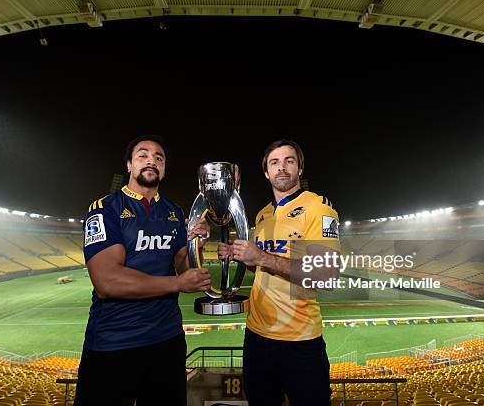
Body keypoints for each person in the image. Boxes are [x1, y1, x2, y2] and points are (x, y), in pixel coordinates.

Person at [74, 135, 211, 406]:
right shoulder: (104, 210)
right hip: (113, 343)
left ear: (164, 169)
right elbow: (107, 281)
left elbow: (184, 267)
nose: (151, 160)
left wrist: (196, 244)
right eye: (143, 155)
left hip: (167, 341)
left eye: (159, 158)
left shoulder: (174, 211)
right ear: (129, 165)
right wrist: (176, 284)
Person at [218, 139, 340, 406]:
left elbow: (327, 275)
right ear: (266, 172)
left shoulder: (318, 207)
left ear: (299, 169)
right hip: (257, 337)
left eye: (289, 161)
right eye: (274, 162)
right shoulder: (262, 215)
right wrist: (241, 257)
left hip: (300, 342)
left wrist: (260, 256)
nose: (281, 167)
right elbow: (261, 267)